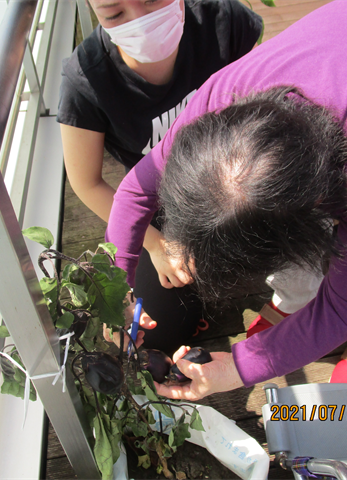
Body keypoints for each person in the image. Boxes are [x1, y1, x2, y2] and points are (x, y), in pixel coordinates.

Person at [105, 0, 347, 398]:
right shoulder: (219, 105)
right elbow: (137, 190)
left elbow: (343, 308)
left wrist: (239, 368)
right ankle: (294, 300)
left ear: (315, 216)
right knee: (268, 227)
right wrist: (115, 294)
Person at [57, 0, 263, 354]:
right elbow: (86, 182)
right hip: (157, 201)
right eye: (114, 13)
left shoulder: (223, 19)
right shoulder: (85, 80)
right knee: (155, 333)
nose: (143, 20)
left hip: (231, 173)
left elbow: (264, 96)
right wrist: (154, 244)